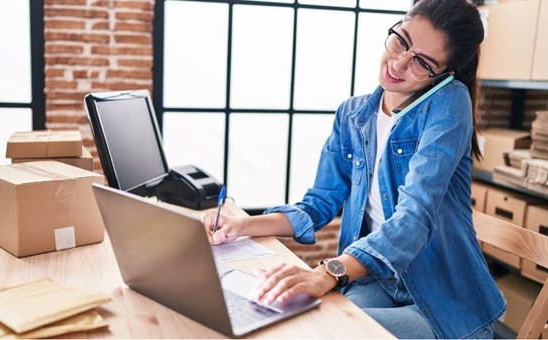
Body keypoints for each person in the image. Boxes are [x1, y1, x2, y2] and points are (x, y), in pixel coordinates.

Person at [203, 0, 506, 338]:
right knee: (295, 317)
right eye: (401, 41)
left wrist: (328, 271)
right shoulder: (353, 114)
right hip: (377, 277)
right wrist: (243, 225)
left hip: (444, 298)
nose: (399, 62)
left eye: (422, 63)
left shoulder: (450, 102)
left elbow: (413, 218)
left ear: (445, 75)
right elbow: (318, 204)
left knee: (329, 330)